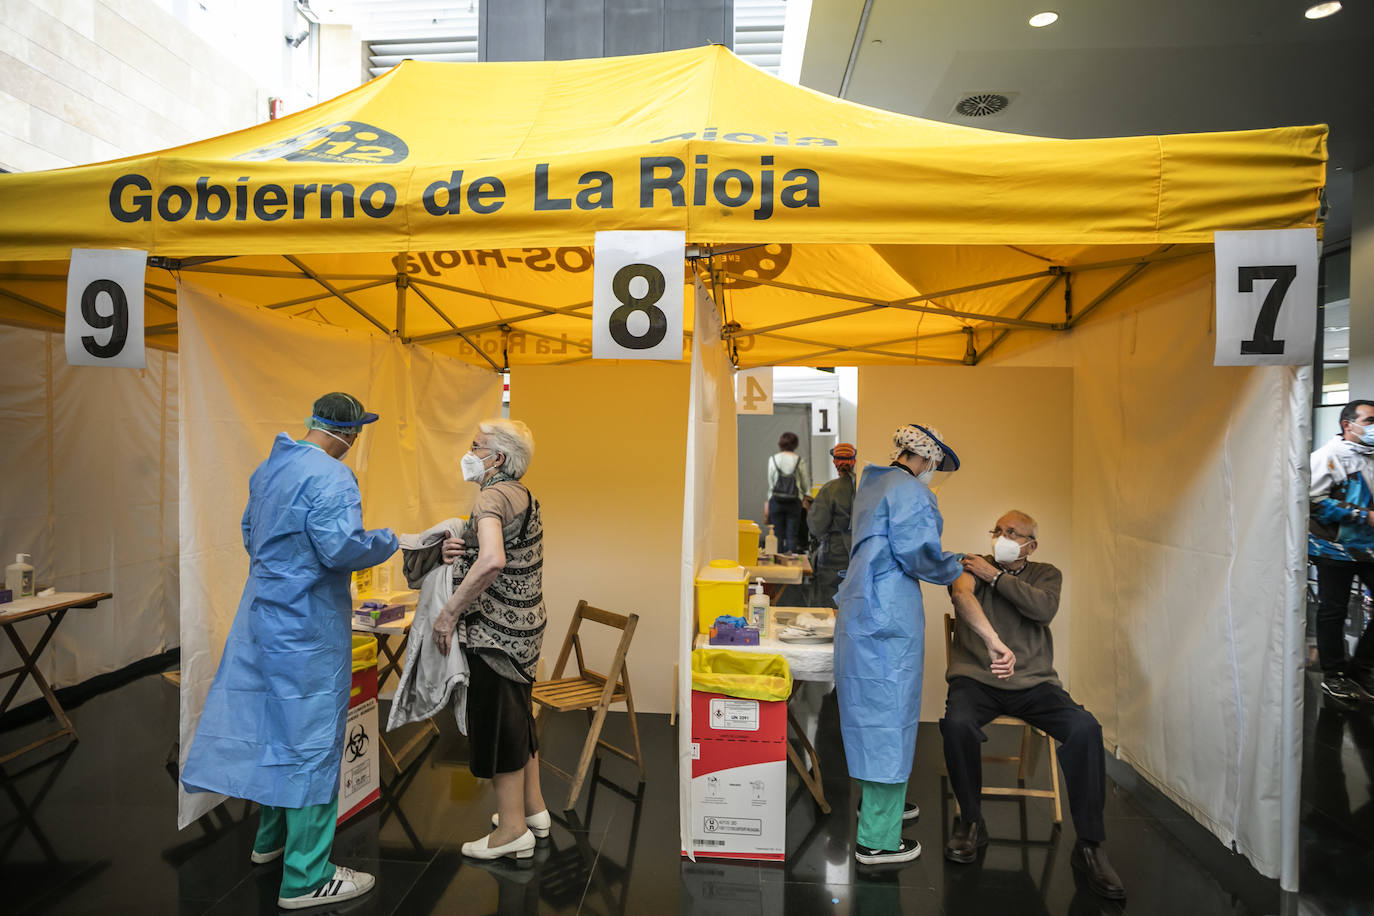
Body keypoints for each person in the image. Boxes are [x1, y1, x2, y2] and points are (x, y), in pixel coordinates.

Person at [181, 392, 398, 910]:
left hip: (263, 617)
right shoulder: (332, 477)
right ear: (349, 433)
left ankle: (269, 841)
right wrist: (392, 540)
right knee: (312, 742)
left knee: (273, 729)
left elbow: (250, 534)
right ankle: (306, 877)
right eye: (358, 432)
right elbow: (342, 547)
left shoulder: (269, 468)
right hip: (307, 629)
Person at [941, 510, 1125, 901]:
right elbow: (961, 595)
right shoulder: (973, 565)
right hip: (977, 679)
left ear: (1031, 544)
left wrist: (998, 579)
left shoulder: (1046, 573)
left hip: (1035, 684)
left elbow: (1042, 610)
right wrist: (993, 638)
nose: (1001, 537)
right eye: (998, 530)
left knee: (1085, 729)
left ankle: (1089, 845)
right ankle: (971, 820)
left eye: (1012, 532)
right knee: (956, 724)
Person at [835, 423, 964, 866]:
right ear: (926, 458)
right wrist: (958, 566)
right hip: (887, 611)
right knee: (889, 716)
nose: (934, 473)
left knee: (870, 712)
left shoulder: (872, 483)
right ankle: (877, 839)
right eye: (936, 465)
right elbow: (919, 554)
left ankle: (882, 803)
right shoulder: (912, 493)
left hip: (860, 604)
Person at [433, 418, 550, 861]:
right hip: (524, 630)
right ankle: (534, 810)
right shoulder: (519, 494)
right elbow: (499, 547)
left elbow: (493, 559)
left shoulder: (492, 495)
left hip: (497, 635)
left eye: (476, 446)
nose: (469, 451)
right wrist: (457, 547)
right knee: (519, 718)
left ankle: (512, 832)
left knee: (499, 724)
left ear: (497, 458)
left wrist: (449, 612)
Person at [1309, 399, 1374, 704]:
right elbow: (1314, 501)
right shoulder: (1328, 457)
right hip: (1333, 549)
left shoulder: (1371, 457)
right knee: (1333, 610)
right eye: (1371, 421)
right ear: (1348, 425)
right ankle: (1334, 675)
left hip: (1369, 548)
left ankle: (1361, 670)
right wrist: (1364, 516)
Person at [807, 442, 858, 608]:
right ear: (854, 461)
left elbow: (816, 526)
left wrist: (810, 509)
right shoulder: (864, 486)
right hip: (860, 552)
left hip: (834, 555)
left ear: (835, 462)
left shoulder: (830, 489)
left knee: (830, 605)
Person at [764, 431, 810, 554]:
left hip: (776, 500)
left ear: (780, 443)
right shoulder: (799, 460)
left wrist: (769, 499)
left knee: (777, 535)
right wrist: (806, 495)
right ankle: (792, 565)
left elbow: (771, 482)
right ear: (795, 444)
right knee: (792, 534)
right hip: (794, 501)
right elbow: (804, 482)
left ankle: (778, 565)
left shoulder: (773, 459)